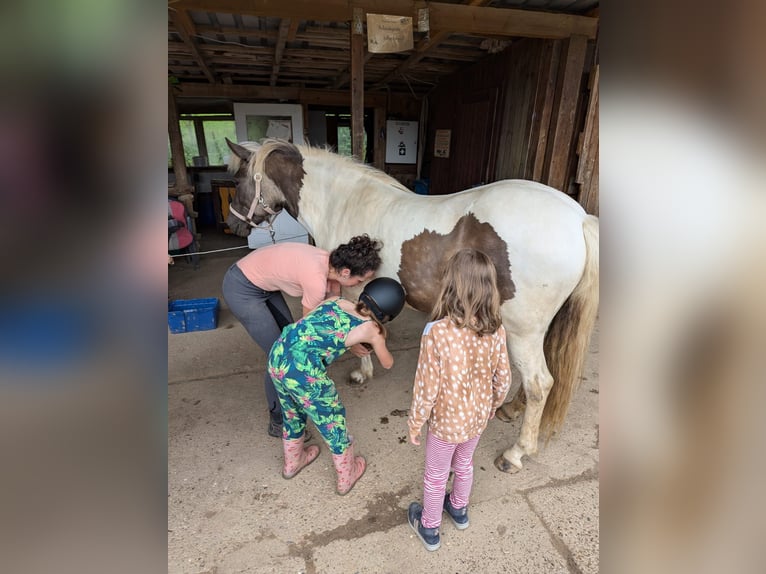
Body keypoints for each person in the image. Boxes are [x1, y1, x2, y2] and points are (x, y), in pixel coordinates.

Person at [222, 235, 383, 439]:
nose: (358, 284)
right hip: (241, 288)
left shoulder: (330, 264)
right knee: (282, 356)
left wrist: (354, 336)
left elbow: (333, 306)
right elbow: (309, 331)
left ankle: (292, 407)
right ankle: (278, 422)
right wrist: (350, 344)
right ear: (345, 272)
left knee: (287, 345)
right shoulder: (315, 279)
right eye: (360, 280)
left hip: (261, 284)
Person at [406, 249, 512, 551]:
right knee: (464, 464)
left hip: (445, 422)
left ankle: (429, 527)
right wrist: (493, 405)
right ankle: (459, 509)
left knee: (436, 475)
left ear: (449, 285)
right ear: (489, 287)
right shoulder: (496, 330)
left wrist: (415, 421)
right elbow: (503, 378)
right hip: (477, 416)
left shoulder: (435, 332)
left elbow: (426, 386)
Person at [268, 277, 406, 495]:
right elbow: (387, 363)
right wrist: (379, 339)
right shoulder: (371, 328)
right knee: (332, 419)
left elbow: (321, 329)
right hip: (305, 373)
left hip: (279, 356)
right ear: (387, 315)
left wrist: (350, 345)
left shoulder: (336, 301)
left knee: (292, 412)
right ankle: (346, 476)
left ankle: (292, 463)